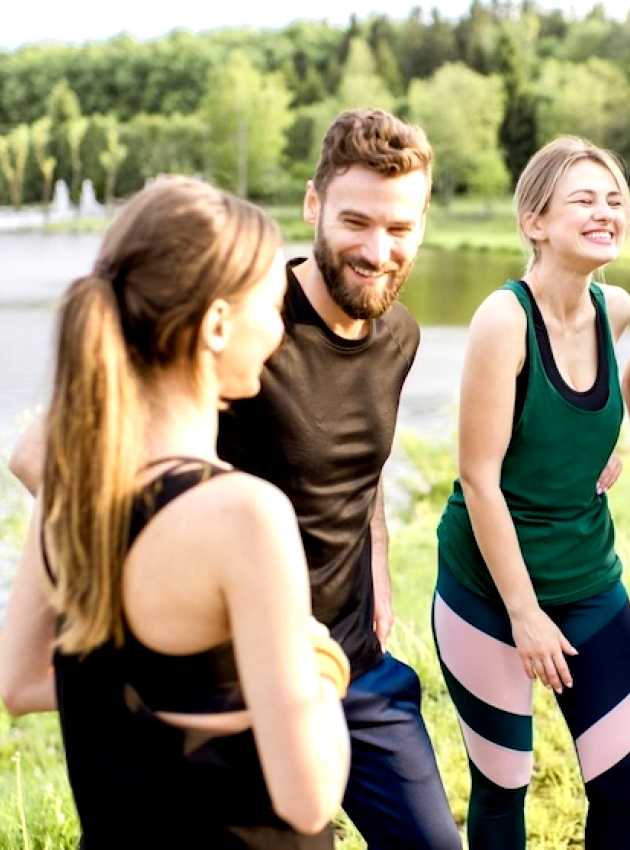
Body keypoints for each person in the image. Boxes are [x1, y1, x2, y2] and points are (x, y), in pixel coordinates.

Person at [0, 176, 351, 849]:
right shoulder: (245, 515)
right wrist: (318, 666)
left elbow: (20, 682)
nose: (281, 332)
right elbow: (308, 798)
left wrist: (213, 702)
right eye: (275, 307)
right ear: (217, 325)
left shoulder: (70, 493)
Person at [217, 109, 462, 850]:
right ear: (313, 205)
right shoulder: (247, 330)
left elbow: (364, 461)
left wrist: (379, 557)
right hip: (245, 688)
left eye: (401, 228)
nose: (378, 251)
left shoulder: (402, 334)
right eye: (356, 221)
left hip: (357, 670)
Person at [434, 135, 630, 849]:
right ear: (535, 222)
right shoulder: (503, 319)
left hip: (588, 580)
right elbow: (478, 481)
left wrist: (615, 439)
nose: (605, 211)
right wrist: (523, 615)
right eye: (584, 199)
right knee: (502, 787)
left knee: (623, 783)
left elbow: (612, 394)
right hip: (487, 589)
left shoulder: (614, 309)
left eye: (615, 200)